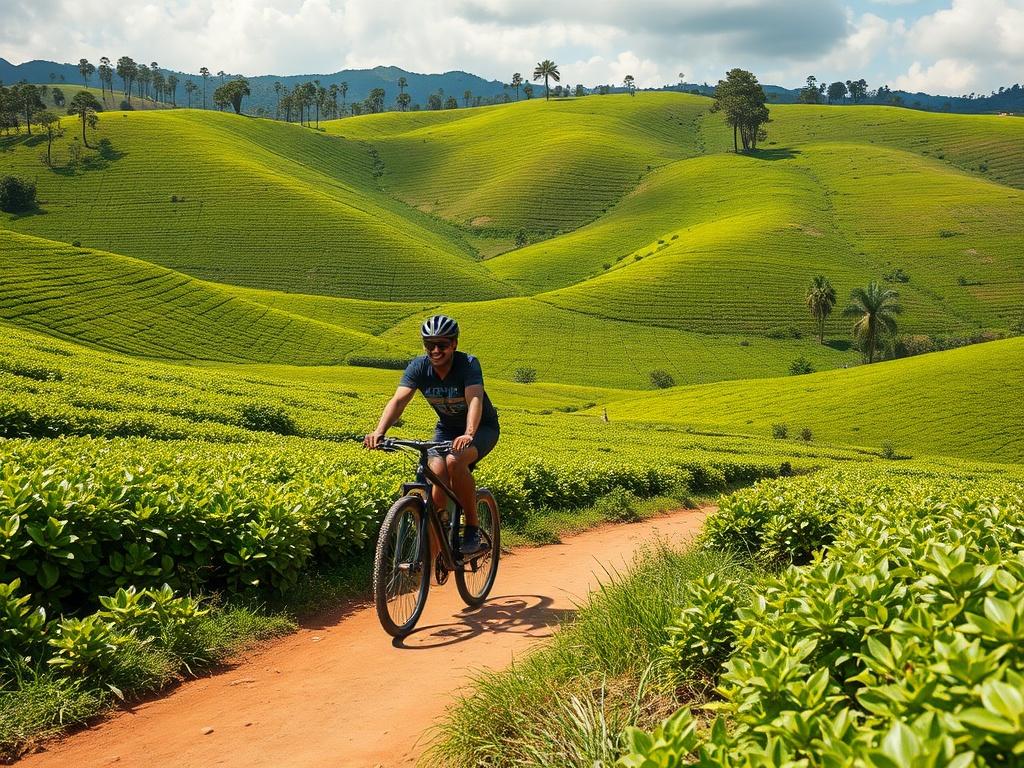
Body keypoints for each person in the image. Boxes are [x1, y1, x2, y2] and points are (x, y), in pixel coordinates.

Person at [364, 315, 500, 554]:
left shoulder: (468, 364)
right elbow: (398, 401)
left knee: (455, 461)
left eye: (442, 345)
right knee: (435, 471)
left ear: (454, 344)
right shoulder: (418, 367)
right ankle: (438, 540)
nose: (435, 350)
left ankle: (471, 527)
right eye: (429, 345)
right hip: (446, 429)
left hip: (481, 428)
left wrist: (469, 433)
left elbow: (475, 399)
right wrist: (379, 431)